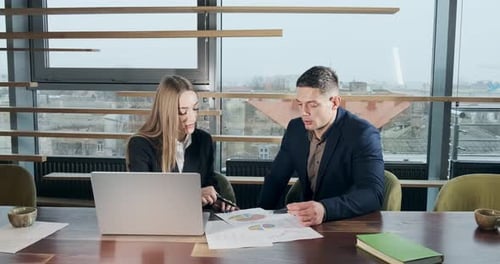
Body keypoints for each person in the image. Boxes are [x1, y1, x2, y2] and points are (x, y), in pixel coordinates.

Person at [259, 66, 384, 226]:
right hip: (305, 227)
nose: (304, 112)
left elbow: (372, 194)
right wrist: (260, 217)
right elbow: (276, 178)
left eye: (312, 105)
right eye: (300, 104)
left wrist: (325, 210)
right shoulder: (295, 129)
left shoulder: (362, 134)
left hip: (346, 225)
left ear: (335, 102)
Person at [126, 75, 235, 212]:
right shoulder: (141, 145)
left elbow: (209, 184)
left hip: (196, 222)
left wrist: (217, 202)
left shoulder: (203, 140)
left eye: (195, 109)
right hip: (157, 223)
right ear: (166, 113)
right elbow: (142, 200)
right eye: (183, 111)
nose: (192, 117)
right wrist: (193, 196)